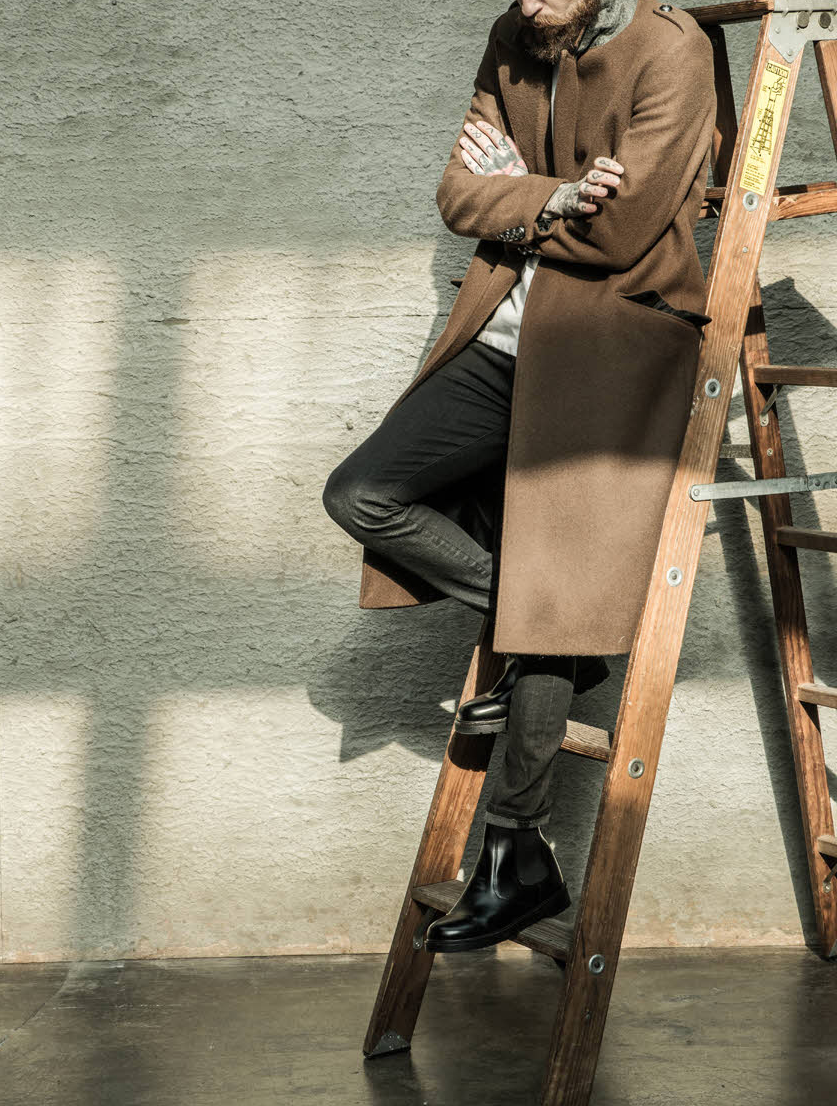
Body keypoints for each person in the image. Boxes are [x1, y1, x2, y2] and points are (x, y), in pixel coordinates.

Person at [323, 0, 716, 952]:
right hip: (503, 341)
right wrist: (561, 195)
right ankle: (548, 642)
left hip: (608, 345)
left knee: (555, 589)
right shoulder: (515, 37)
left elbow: (622, 236)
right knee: (363, 493)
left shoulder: (672, 48)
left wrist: (523, 196)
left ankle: (516, 852)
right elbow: (458, 195)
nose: (532, 4)